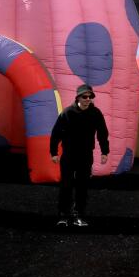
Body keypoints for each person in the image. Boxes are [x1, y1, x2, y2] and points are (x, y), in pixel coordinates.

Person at [50, 84, 109, 227]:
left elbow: (102, 133)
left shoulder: (96, 113)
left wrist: (104, 151)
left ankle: (79, 216)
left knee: (82, 186)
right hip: (69, 155)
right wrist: (54, 152)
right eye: (84, 97)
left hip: (86, 155)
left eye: (90, 97)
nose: (87, 99)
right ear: (78, 97)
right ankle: (63, 216)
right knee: (66, 185)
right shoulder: (67, 113)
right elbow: (56, 134)